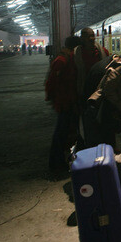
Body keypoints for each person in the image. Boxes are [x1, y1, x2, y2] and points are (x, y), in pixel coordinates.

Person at [45, 36, 82, 172]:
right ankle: (56, 164)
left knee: (66, 133)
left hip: (68, 102)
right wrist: (55, 99)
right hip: (65, 102)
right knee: (61, 134)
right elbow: (52, 82)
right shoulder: (62, 60)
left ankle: (60, 162)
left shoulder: (66, 58)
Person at [74, 27, 109, 104]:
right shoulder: (76, 54)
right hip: (84, 89)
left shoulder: (103, 52)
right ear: (82, 38)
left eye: (93, 36)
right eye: (88, 36)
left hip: (100, 88)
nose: (91, 38)